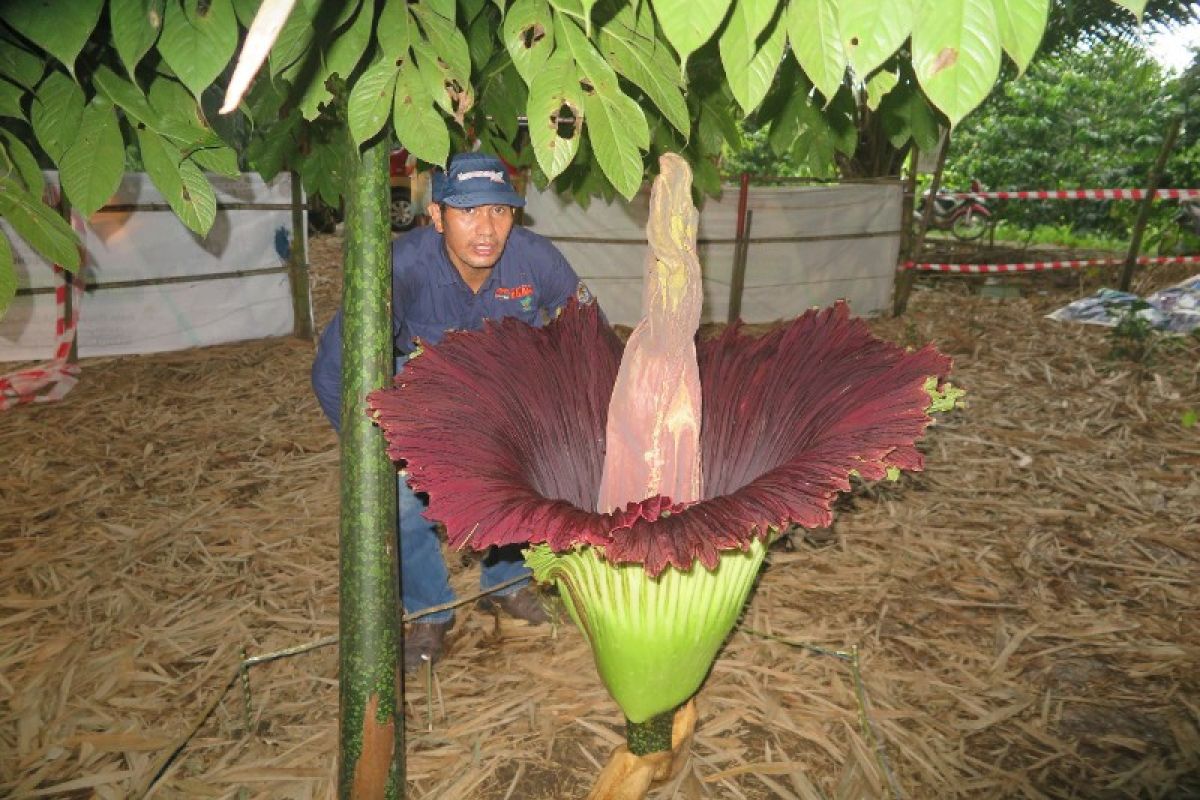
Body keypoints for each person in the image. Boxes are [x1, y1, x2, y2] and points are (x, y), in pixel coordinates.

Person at [311, 152, 598, 670]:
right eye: (467, 212)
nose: (486, 229)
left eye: (499, 211)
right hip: (419, 394)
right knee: (397, 501)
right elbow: (333, 370)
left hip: (507, 392)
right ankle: (431, 610)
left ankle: (505, 583)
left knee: (527, 478)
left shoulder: (536, 260)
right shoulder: (400, 267)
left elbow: (590, 336)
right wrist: (372, 451)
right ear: (437, 216)